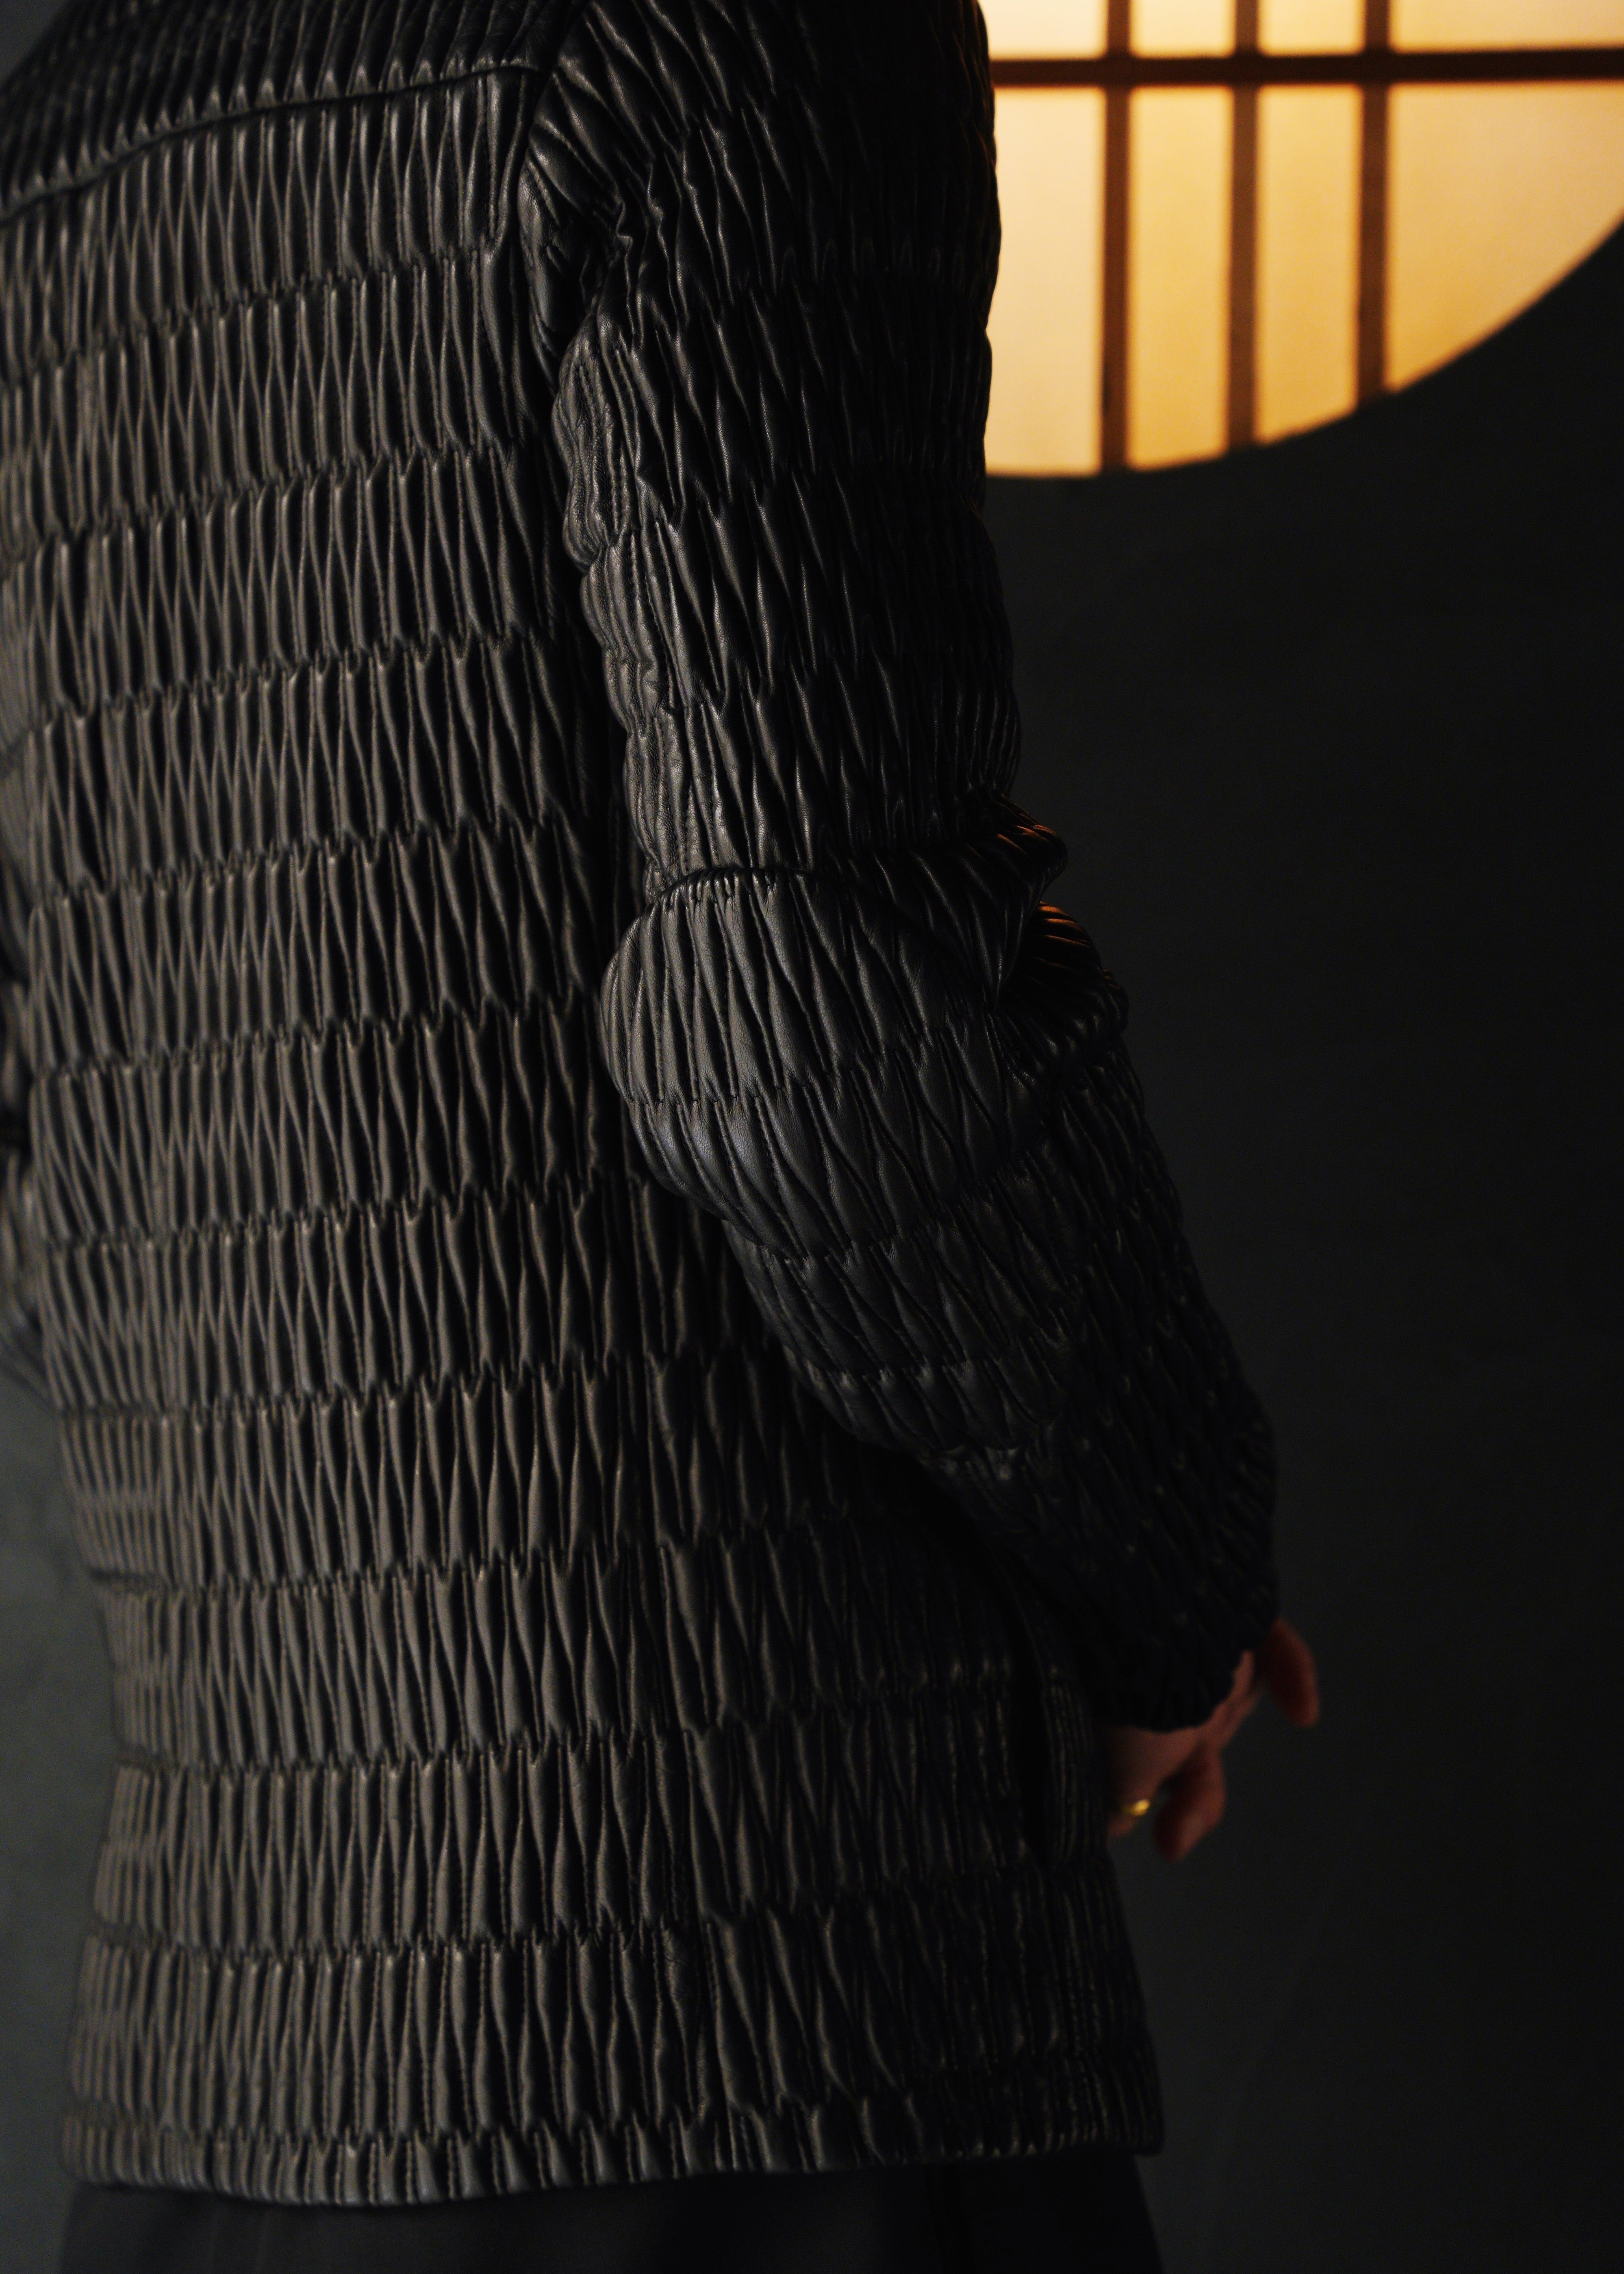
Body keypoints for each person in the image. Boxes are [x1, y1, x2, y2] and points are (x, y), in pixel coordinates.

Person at [0, 1, 1317, 2267]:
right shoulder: (734, 27)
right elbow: (821, 1008)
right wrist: (1165, 1581)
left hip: (220, 2067)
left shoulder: (60, 128)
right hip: (759, 2023)